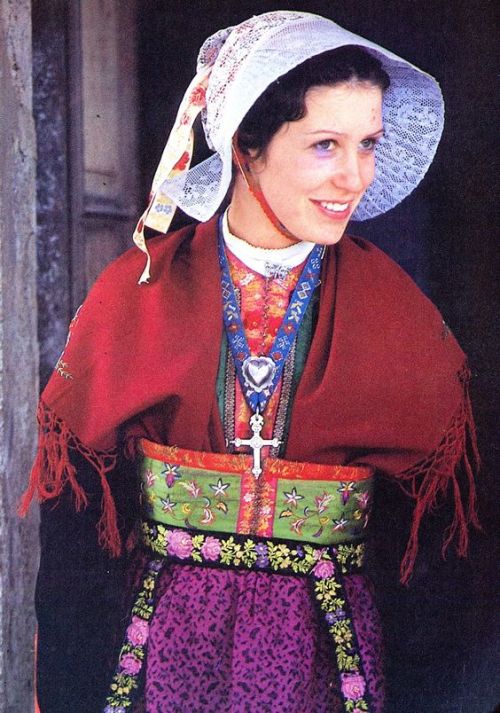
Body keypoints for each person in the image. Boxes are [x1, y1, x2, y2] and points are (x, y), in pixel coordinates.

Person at [22, 11, 479, 713]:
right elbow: (79, 537)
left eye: (368, 143)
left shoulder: (399, 314)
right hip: (163, 657)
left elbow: (438, 567)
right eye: (325, 144)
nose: (355, 177)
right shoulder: (136, 295)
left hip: (329, 663)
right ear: (245, 146)